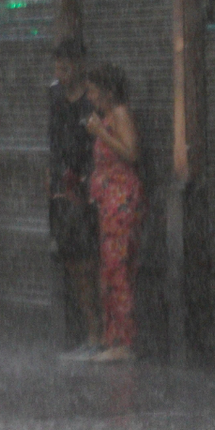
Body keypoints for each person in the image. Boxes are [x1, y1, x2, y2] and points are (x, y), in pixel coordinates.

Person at [84, 62, 142, 363]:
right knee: (109, 268)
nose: (90, 97)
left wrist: (101, 133)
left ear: (107, 91)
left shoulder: (119, 113)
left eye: (94, 91)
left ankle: (124, 341)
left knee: (118, 268)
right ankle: (114, 338)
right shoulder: (107, 117)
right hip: (108, 202)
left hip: (121, 201)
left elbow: (131, 152)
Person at [47, 39, 101, 359]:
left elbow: (100, 143)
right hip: (62, 190)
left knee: (90, 262)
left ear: (80, 65)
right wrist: (54, 181)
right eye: (57, 67)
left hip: (88, 191)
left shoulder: (92, 100)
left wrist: (86, 181)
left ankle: (99, 332)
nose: (60, 73)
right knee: (72, 262)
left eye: (66, 67)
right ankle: (89, 331)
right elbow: (53, 142)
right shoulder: (55, 97)